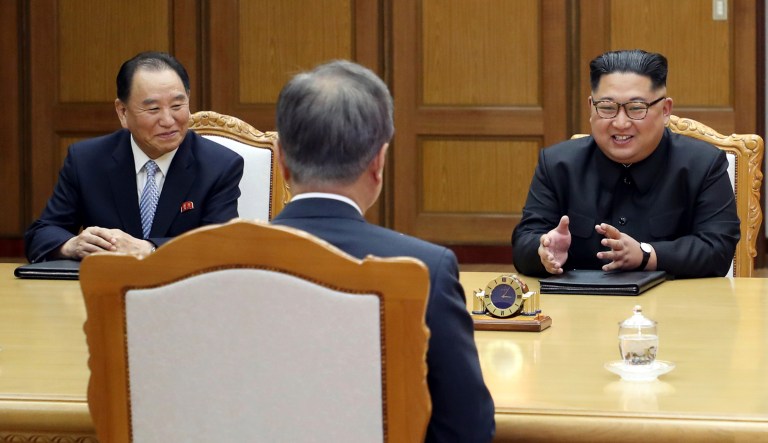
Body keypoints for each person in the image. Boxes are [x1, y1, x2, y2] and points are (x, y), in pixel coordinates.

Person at [272, 60, 495, 442]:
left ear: (280, 160)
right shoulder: (423, 268)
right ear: (378, 162)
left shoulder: (200, 268)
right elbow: (466, 428)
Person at [512, 49, 740, 278]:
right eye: (608, 108)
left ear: (665, 110)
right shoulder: (557, 164)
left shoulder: (703, 164)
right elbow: (524, 241)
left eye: (636, 109)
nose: (620, 123)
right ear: (591, 108)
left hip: (673, 308)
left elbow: (718, 249)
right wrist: (543, 251)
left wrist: (647, 255)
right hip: (582, 307)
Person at [24, 51, 244, 263]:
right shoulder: (86, 161)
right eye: (153, 109)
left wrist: (149, 249)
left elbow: (220, 247)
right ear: (122, 112)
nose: (168, 120)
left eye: (177, 105)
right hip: (104, 291)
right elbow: (41, 234)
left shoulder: (220, 166)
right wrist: (71, 245)